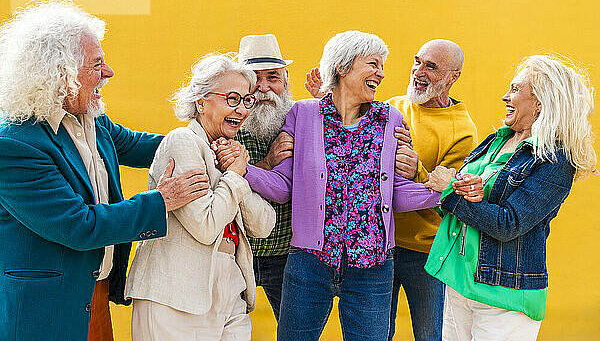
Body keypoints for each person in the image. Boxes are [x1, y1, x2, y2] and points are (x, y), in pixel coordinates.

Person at [0, 0, 209, 341]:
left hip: (93, 293)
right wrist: (161, 201)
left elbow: (142, 145)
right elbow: (78, 225)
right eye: (97, 63)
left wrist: (210, 139)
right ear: (60, 72)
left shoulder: (90, 116)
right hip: (46, 308)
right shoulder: (14, 145)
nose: (109, 71)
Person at [215, 30, 441, 341]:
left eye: (382, 66)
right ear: (343, 67)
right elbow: (283, 186)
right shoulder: (303, 114)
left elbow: (396, 194)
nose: (381, 73)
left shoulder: (391, 119)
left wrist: (444, 190)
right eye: (373, 64)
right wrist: (245, 170)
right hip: (309, 263)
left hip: (372, 266)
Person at [305, 39, 478, 341]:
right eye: (417, 61)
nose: (418, 71)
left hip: (426, 253)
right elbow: (347, 138)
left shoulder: (462, 130)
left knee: (430, 333)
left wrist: (417, 171)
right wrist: (325, 95)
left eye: (431, 67)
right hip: (379, 247)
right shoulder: (390, 108)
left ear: (453, 77)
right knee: (378, 333)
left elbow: (449, 196)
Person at [424, 55, 596, 341]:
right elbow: (461, 209)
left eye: (515, 89)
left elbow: (508, 224)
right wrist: (464, 190)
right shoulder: (498, 139)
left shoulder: (555, 161)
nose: (505, 96)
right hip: (457, 281)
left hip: (504, 294)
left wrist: (451, 191)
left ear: (541, 101)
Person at [125, 54, 276, 340]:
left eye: (247, 100)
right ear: (201, 100)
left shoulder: (228, 150)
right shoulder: (182, 141)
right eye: (232, 98)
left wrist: (237, 173)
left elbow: (264, 224)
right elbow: (205, 226)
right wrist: (234, 175)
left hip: (230, 284)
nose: (242, 110)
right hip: (175, 291)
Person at [234, 34, 295, 320]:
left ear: (285, 83)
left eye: (273, 77)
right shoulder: (224, 124)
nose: (264, 87)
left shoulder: (299, 123)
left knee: (294, 331)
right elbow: (221, 184)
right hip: (235, 253)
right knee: (225, 330)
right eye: (254, 78)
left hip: (287, 256)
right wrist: (269, 162)